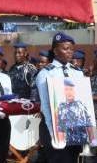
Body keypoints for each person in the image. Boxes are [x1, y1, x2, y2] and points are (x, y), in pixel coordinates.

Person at [35, 32, 86, 163]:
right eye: (65, 48)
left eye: (71, 49)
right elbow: (46, 106)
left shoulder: (77, 73)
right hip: (53, 127)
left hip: (74, 129)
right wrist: (54, 133)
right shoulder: (46, 73)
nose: (69, 52)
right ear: (55, 51)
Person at [56, 78, 97, 145]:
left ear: (75, 91)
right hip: (68, 142)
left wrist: (92, 140)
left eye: (71, 89)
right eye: (66, 89)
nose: (69, 92)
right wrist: (60, 142)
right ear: (63, 91)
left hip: (82, 141)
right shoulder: (61, 106)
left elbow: (89, 124)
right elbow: (61, 127)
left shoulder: (82, 104)